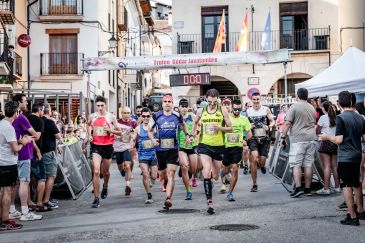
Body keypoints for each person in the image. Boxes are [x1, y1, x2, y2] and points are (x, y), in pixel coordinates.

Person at [320, 91, 365, 226]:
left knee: (346, 185)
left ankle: (352, 216)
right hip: (358, 154)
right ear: (351, 102)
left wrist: (327, 137)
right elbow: (364, 138)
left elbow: (339, 140)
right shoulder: (360, 118)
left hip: (346, 156)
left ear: (339, 103)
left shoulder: (341, 118)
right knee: (356, 183)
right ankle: (361, 211)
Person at [192, 89, 232, 214]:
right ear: (206, 99)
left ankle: (212, 182)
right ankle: (210, 202)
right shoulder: (201, 110)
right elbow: (195, 123)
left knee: (215, 176)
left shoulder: (222, 110)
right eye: (209, 102)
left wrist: (220, 128)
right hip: (205, 145)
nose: (212, 105)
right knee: (207, 172)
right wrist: (191, 136)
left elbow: (230, 128)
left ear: (218, 100)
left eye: (214, 102)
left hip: (219, 146)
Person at [149, 94, 191, 209]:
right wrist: (153, 139)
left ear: (173, 104)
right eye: (165, 101)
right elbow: (149, 130)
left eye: (169, 101)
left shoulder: (177, 116)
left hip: (173, 149)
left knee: (171, 173)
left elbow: (183, 125)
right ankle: (164, 181)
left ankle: (168, 198)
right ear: (162, 104)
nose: (167, 103)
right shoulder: (156, 116)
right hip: (160, 150)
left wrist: (187, 135)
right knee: (163, 174)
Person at [0, 101, 33, 231]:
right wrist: (24, 142)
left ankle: (2, 219)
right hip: (8, 163)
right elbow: (15, 148)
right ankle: (5, 220)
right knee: (7, 191)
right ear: (15, 113)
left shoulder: (1, 124)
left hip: (1, 162)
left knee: (2, 191)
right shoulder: (8, 127)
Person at [84, 96, 121, 208]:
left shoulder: (111, 117)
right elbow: (88, 124)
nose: (100, 108)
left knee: (105, 172)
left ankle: (105, 185)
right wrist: (89, 136)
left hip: (108, 146)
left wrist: (110, 130)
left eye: (102, 105)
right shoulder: (92, 116)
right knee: (96, 171)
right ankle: (96, 198)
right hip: (96, 146)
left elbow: (119, 132)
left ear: (105, 105)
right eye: (98, 106)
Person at [11, 94, 42, 221]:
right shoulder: (22, 118)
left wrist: (36, 148)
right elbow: (35, 134)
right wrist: (32, 137)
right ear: (19, 103)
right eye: (25, 101)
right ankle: (25, 212)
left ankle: (12, 210)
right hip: (23, 154)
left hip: (12, 155)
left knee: (14, 184)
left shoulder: (9, 119)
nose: (27, 104)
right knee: (24, 182)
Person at [281, 88, 317, 198]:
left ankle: (298, 188)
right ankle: (307, 189)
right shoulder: (312, 107)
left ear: (297, 96)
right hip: (311, 139)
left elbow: (287, 123)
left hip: (298, 140)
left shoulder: (294, 107)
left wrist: (283, 137)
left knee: (296, 164)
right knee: (308, 164)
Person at [222, 99, 252, 201]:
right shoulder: (226, 118)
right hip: (226, 147)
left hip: (237, 148)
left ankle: (230, 193)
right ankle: (224, 173)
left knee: (235, 169)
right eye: (235, 109)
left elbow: (249, 133)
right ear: (231, 108)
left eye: (239, 109)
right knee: (226, 170)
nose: (237, 111)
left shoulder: (244, 119)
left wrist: (244, 140)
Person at [246, 93, 275, 192]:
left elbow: (272, 121)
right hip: (253, 138)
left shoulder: (266, 109)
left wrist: (269, 126)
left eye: (258, 99)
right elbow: (245, 124)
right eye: (254, 99)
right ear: (252, 100)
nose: (256, 101)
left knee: (262, 161)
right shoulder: (248, 111)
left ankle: (262, 166)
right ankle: (254, 184)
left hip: (264, 138)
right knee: (254, 158)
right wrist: (249, 125)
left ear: (260, 99)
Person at [27, 103, 51, 212]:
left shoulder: (25, 118)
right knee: (42, 178)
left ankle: (28, 203)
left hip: (25, 152)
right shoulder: (40, 121)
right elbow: (36, 137)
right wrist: (36, 149)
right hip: (36, 153)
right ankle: (39, 203)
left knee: (27, 180)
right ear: (40, 110)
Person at [131, 107, 157, 204]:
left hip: (153, 154)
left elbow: (159, 137)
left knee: (154, 176)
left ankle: (152, 180)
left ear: (150, 116)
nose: (146, 118)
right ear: (141, 117)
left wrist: (156, 141)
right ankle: (149, 195)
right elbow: (133, 137)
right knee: (145, 173)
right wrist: (131, 140)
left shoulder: (154, 127)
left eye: (148, 116)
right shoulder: (138, 128)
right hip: (142, 155)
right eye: (144, 116)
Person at [316, 101, 340, 195]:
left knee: (326, 166)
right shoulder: (337, 117)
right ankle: (337, 187)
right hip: (335, 142)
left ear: (324, 108)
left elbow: (317, 130)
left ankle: (326, 188)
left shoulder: (322, 117)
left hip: (325, 142)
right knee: (334, 166)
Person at [41, 103, 62, 210]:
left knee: (41, 178)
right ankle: (46, 200)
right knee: (51, 176)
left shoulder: (38, 120)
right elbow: (58, 136)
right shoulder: (49, 121)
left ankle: (40, 199)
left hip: (39, 152)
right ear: (48, 111)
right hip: (49, 151)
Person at [114, 106, 137, 197]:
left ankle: (127, 185)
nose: (127, 115)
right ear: (121, 113)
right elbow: (114, 134)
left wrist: (132, 132)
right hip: (118, 147)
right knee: (120, 166)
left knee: (127, 165)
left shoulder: (133, 123)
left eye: (128, 113)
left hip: (127, 147)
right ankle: (122, 171)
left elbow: (136, 132)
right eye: (125, 113)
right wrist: (120, 136)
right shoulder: (117, 122)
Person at [178, 99, 198, 200]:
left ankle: (193, 176)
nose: (184, 109)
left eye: (186, 107)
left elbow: (197, 129)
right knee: (185, 167)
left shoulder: (192, 117)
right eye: (182, 106)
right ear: (179, 107)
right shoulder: (176, 118)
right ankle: (188, 191)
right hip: (181, 147)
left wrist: (192, 136)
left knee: (193, 169)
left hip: (192, 145)